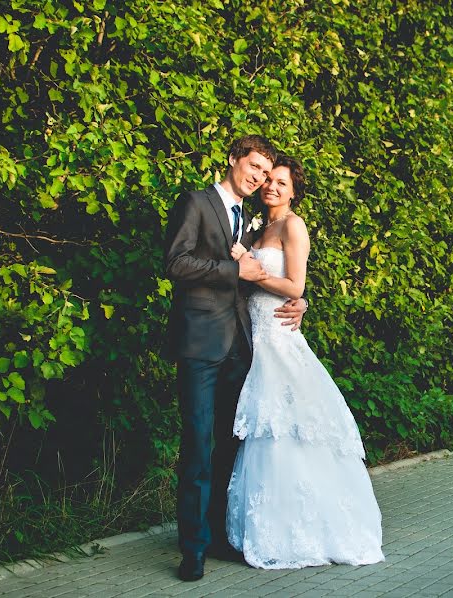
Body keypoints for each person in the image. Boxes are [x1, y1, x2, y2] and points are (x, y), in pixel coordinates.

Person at [226, 155, 384, 569]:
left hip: (278, 335)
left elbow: (296, 284)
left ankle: (307, 528)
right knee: (265, 430)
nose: (271, 187)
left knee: (286, 426)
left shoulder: (293, 225)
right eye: (268, 180)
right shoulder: (257, 226)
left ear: (294, 190)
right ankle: (268, 525)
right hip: (253, 337)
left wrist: (254, 274)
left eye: (281, 182)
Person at [164, 136, 308, 582]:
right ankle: (192, 551)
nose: (259, 177)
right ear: (233, 160)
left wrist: (300, 302)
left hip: (239, 349)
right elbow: (175, 264)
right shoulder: (196, 202)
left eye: (266, 172)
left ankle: (219, 534)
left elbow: (263, 277)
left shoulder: (246, 217)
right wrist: (234, 271)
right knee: (198, 447)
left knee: (230, 446)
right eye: (254, 167)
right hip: (200, 346)